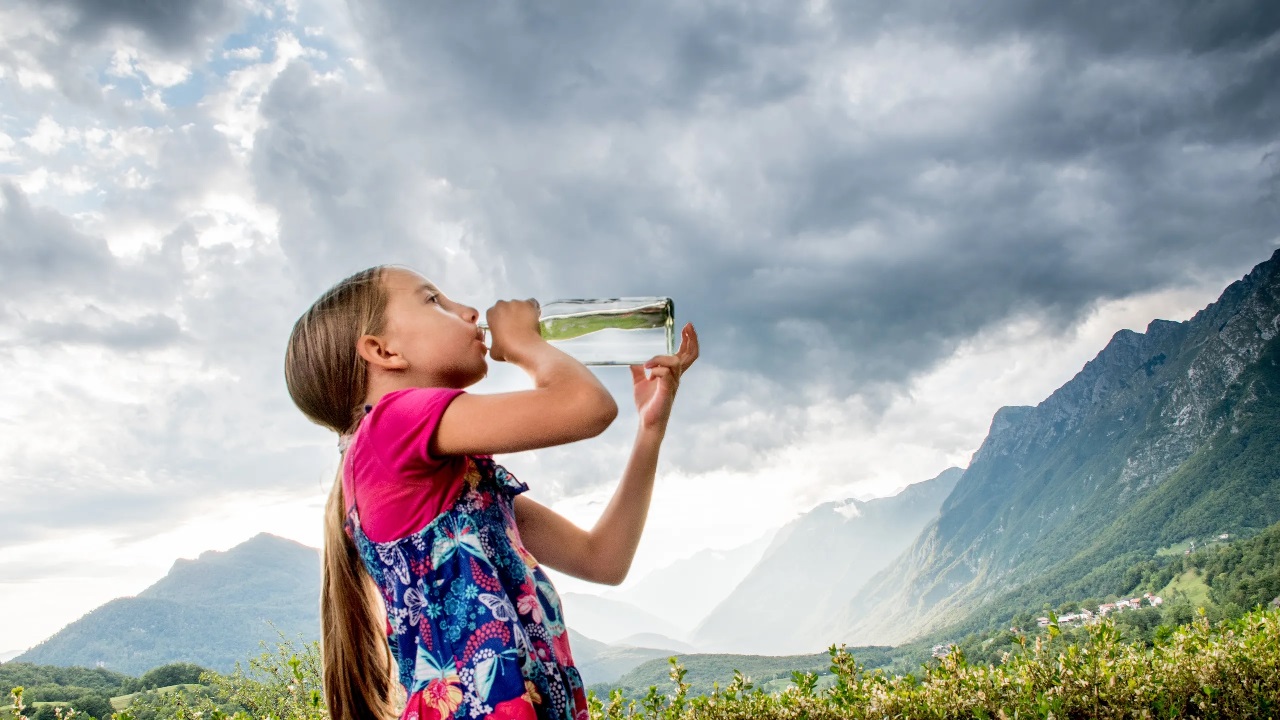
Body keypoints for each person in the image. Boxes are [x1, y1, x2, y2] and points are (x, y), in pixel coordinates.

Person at [283, 265, 699, 720]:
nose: (468, 312)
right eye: (433, 301)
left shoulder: (455, 487)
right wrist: (525, 345)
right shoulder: (390, 423)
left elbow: (602, 559)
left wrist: (650, 429)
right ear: (383, 351)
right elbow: (587, 407)